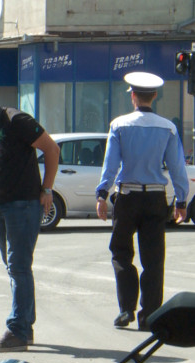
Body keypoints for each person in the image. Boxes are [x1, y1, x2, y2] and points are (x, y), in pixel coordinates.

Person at [0, 80, 60, 352]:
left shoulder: (17, 120)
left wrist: (47, 189)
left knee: (18, 266)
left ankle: (17, 330)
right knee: (15, 267)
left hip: (23, 204)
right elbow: (0, 160)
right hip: (0, 204)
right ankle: (25, 326)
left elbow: (52, 150)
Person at [95, 72, 189, 331]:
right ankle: (149, 315)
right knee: (154, 258)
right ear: (155, 96)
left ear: (133, 96)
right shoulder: (168, 127)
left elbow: (111, 165)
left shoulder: (119, 125)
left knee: (121, 253)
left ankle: (126, 308)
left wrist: (102, 194)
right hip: (156, 197)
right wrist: (181, 200)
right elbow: (177, 167)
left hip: (127, 196)